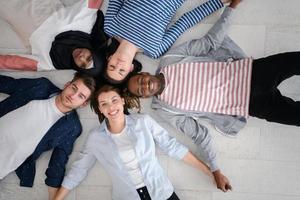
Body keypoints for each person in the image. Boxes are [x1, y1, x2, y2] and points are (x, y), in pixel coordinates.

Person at [127, 0, 256, 192]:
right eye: (141, 90)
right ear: (145, 97)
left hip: (247, 73)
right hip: (246, 104)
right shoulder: (165, 108)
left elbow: (209, 42)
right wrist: (215, 170)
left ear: (145, 74)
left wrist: (231, 8)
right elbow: (199, 135)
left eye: (140, 81)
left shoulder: (170, 59)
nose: (144, 85)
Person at [53, 85, 226, 200]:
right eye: (104, 104)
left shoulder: (143, 121)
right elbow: (79, 170)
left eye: (114, 100)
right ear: (100, 109)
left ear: (122, 101)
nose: (111, 107)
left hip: (161, 193)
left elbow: (173, 147)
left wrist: (212, 173)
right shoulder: (95, 138)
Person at [0, 72, 96, 200]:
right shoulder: (42, 86)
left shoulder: (72, 127)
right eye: (73, 88)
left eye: (80, 96)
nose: (73, 96)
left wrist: (53, 197)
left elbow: (58, 161)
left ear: (83, 103)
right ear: (67, 85)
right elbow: (8, 84)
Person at [104, 0, 230, 82]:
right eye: (122, 71)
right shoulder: (155, 50)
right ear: (130, 68)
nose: (119, 65)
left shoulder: (109, 27)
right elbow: (184, 22)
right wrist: (217, 2)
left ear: (109, 58)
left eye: (112, 66)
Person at [0, 0, 107, 77]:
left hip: (15, 12)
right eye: (89, 57)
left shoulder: (52, 63)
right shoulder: (85, 24)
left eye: (82, 65)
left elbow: (14, 62)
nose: (81, 58)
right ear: (93, 51)